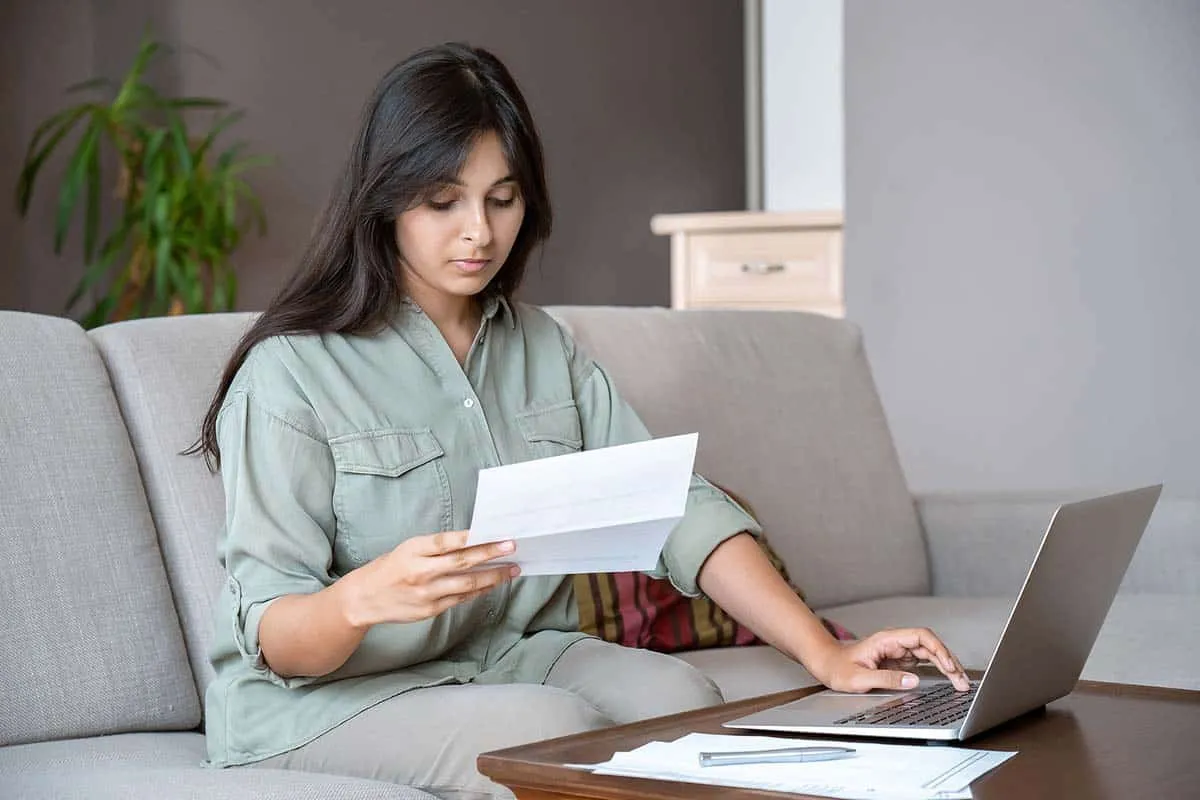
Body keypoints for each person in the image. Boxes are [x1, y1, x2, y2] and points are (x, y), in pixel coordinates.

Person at [192, 42, 969, 800]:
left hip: (511, 654)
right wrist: (360, 598)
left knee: (686, 701)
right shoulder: (290, 373)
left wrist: (823, 654)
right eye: (442, 202)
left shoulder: (543, 348)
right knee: (548, 728)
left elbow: (676, 506)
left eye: (502, 199)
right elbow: (274, 634)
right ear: (385, 200)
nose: (479, 232)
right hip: (322, 700)